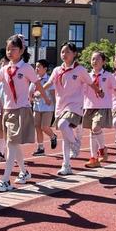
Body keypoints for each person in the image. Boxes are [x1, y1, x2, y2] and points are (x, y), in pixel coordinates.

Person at [0, 35, 51, 192]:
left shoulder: (26, 68)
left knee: (11, 144)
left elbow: (37, 84)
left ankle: (5, 180)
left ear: (22, 50)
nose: (9, 52)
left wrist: (46, 98)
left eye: (13, 49)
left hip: (21, 109)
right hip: (7, 110)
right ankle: (24, 171)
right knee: (13, 144)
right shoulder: (4, 69)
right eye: (8, 49)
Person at [45, 42, 102, 176]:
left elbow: (90, 83)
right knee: (65, 135)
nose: (64, 54)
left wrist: (98, 91)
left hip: (75, 105)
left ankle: (75, 142)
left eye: (67, 52)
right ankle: (66, 165)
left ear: (74, 54)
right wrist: (38, 91)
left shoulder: (80, 70)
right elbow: (49, 82)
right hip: (61, 106)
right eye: (62, 52)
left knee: (63, 125)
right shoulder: (57, 70)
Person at [83, 51, 116, 167]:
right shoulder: (86, 76)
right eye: (92, 59)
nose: (94, 61)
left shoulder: (108, 76)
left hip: (103, 106)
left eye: (97, 59)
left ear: (103, 62)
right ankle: (94, 158)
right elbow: (82, 91)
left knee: (95, 127)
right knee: (92, 132)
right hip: (89, 106)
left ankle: (102, 149)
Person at [31, 59, 57, 156]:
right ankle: (40, 148)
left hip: (47, 107)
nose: (36, 69)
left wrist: (55, 108)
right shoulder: (34, 80)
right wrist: (31, 98)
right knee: (37, 128)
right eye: (36, 67)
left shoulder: (49, 80)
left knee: (44, 127)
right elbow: (31, 93)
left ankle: (53, 136)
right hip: (37, 107)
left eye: (39, 67)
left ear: (45, 69)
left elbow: (53, 94)